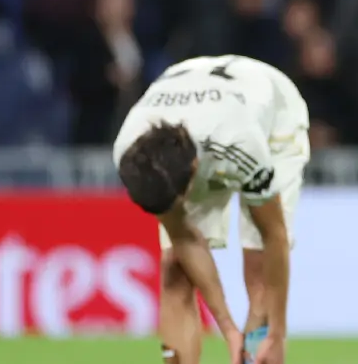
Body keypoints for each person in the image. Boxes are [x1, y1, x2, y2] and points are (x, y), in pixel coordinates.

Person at [113, 55, 311, 364]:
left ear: (193, 172)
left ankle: (260, 350)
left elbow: (274, 236)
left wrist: (277, 331)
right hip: (193, 88)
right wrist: (228, 329)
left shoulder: (240, 143)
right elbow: (185, 240)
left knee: (259, 269)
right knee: (174, 268)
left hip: (272, 112)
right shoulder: (134, 153)